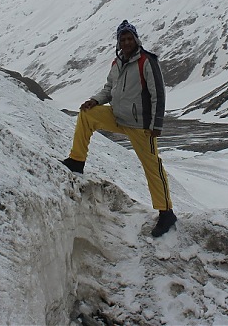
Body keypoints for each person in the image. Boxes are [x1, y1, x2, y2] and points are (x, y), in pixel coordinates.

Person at [62, 20, 177, 238]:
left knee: (152, 167)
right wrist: (95, 100)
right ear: (119, 41)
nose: (126, 42)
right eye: (122, 39)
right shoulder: (117, 63)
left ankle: (166, 213)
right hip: (117, 116)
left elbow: (158, 94)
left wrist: (156, 124)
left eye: (129, 38)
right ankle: (76, 161)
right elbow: (109, 89)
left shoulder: (146, 61)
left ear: (136, 39)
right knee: (87, 114)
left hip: (140, 125)